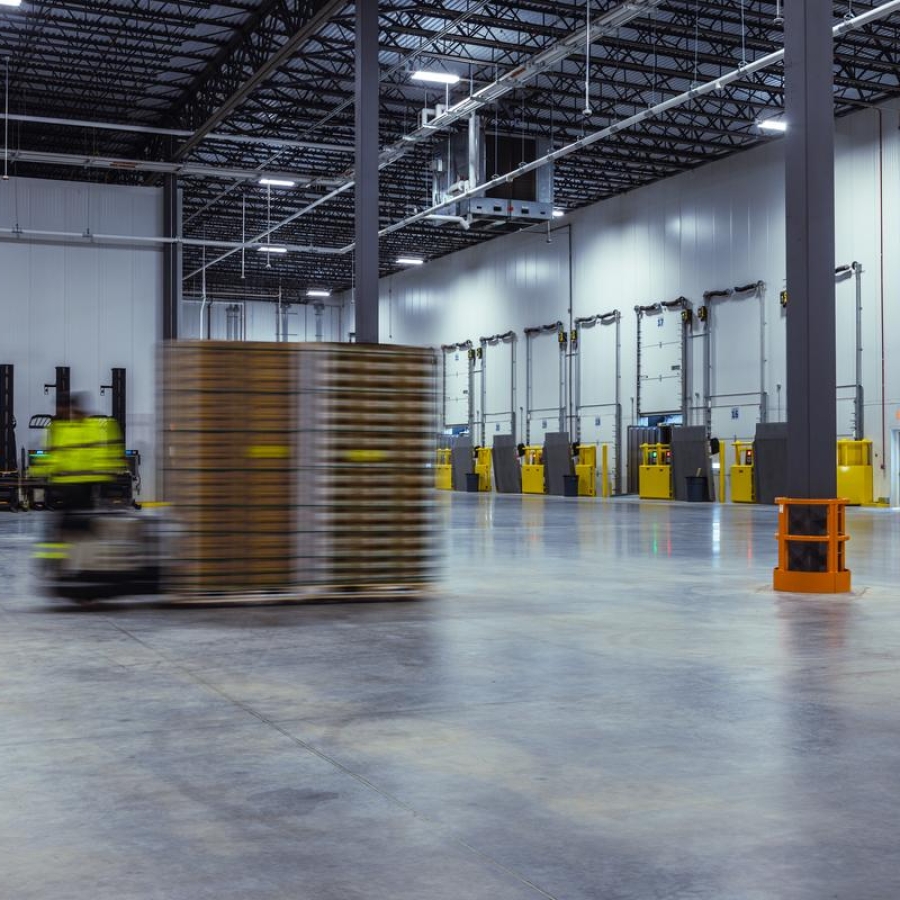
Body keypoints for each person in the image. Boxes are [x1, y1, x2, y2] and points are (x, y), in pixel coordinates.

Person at [43, 393, 125, 524]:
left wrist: (112, 468)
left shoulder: (90, 426)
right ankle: (75, 534)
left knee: (80, 510)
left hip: (86, 478)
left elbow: (98, 450)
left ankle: (75, 535)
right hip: (72, 479)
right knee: (76, 510)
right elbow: (57, 452)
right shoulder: (63, 427)